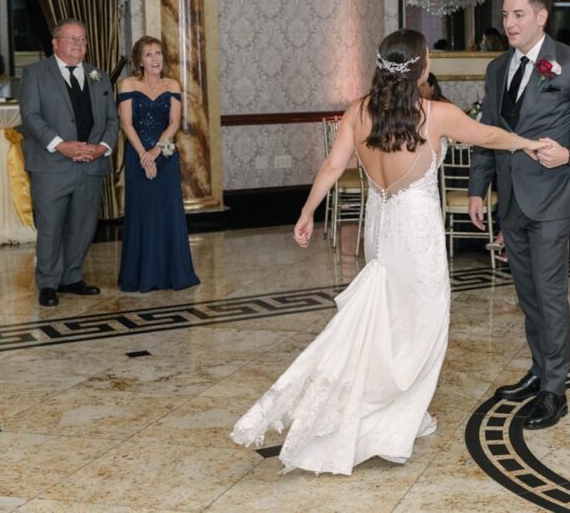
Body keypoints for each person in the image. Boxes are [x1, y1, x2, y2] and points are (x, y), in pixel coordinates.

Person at [231, 29, 546, 474]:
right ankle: (402, 413)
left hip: (378, 228)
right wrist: (529, 143)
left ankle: (404, 410)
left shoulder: (359, 112)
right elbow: (490, 136)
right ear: (421, 68)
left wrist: (306, 212)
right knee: (423, 322)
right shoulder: (435, 114)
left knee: (386, 317)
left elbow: (332, 165)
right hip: (416, 232)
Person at [468, 0, 570, 430]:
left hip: (552, 198)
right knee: (528, 294)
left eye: (517, 15)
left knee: (550, 295)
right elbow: (488, 133)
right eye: (505, 15)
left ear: (540, 17)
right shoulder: (497, 69)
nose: (508, 23)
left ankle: (555, 390)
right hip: (511, 200)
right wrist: (479, 189)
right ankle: (539, 369)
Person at [19, 19, 118, 307]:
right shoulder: (35, 73)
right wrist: (61, 145)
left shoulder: (98, 75)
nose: (79, 44)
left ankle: (71, 277)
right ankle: (48, 283)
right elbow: (31, 116)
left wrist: (102, 148)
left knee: (83, 224)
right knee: (50, 225)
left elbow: (111, 120)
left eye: (83, 39)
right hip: (51, 165)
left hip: (90, 164)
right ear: (55, 43)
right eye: (72, 38)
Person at [116, 36, 200, 292]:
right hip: (137, 154)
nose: (155, 59)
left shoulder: (172, 84)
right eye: (149, 54)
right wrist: (143, 154)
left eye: (158, 53)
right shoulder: (128, 84)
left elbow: (174, 123)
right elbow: (126, 123)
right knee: (142, 212)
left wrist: (155, 152)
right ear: (139, 60)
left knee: (168, 213)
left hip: (164, 155)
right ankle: (140, 275)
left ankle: (172, 274)